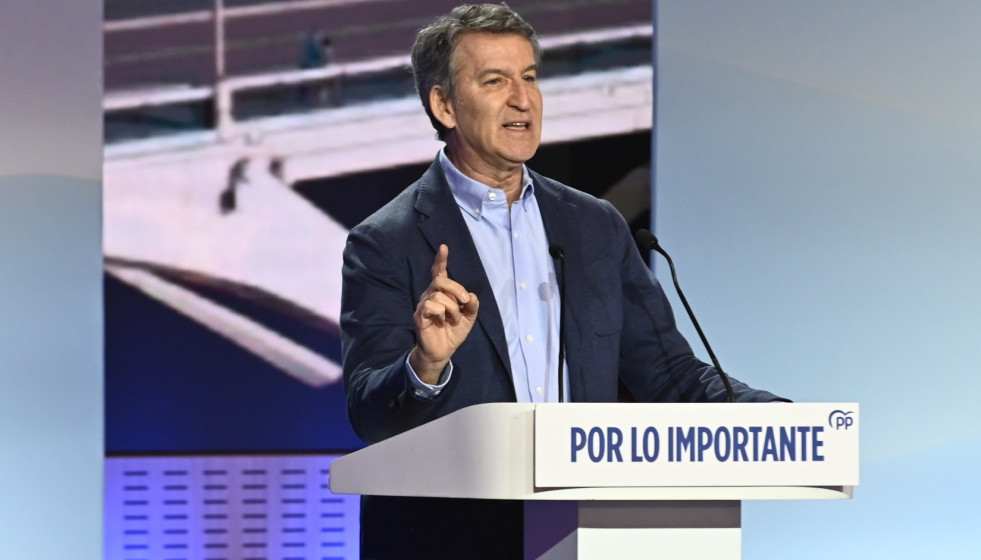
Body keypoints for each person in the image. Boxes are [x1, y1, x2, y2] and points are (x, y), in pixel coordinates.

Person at [339, 4, 786, 558]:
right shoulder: (385, 242)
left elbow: (668, 374)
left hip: (583, 533)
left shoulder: (594, 225)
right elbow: (368, 414)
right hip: (451, 538)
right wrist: (425, 366)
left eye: (529, 77)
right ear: (444, 104)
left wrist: (777, 421)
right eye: (495, 81)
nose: (522, 98)